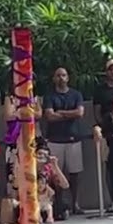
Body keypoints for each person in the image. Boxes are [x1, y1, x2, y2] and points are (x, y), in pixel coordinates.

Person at [41, 67, 85, 216]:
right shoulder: (49, 96)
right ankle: (58, 204)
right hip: (55, 139)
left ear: (68, 78)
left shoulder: (76, 94)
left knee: (75, 174)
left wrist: (61, 113)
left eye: (64, 75)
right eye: (58, 75)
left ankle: (75, 204)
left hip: (73, 139)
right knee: (55, 175)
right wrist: (69, 114)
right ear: (54, 78)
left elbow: (79, 113)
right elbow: (49, 116)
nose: (61, 78)